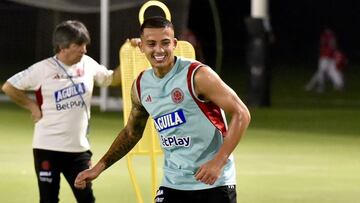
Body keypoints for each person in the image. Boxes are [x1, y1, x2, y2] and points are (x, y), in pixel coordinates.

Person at [74, 16, 251, 203]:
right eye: (151, 44)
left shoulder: (198, 75)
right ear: (141, 47)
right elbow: (131, 134)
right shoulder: (141, 86)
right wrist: (98, 167)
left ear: (174, 44)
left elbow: (242, 113)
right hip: (173, 182)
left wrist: (218, 162)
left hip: (214, 183)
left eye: (165, 43)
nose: (159, 50)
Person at [1, 20, 117, 203]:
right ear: (62, 47)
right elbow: (9, 86)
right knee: (48, 200)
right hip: (47, 148)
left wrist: (129, 55)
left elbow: (111, 79)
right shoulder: (43, 68)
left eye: (85, 44)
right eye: (79, 45)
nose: (84, 50)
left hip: (79, 150)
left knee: (86, 199)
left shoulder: (88, 64)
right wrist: (32, 106)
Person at [305, 28, 344, 92]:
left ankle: (320, 87)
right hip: (328, 56)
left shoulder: (327, 36)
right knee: (331, 71)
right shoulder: (329, 36)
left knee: (322, 72)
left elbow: (329, 45)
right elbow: (331, 45)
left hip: (326, 56)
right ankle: (339, 85)